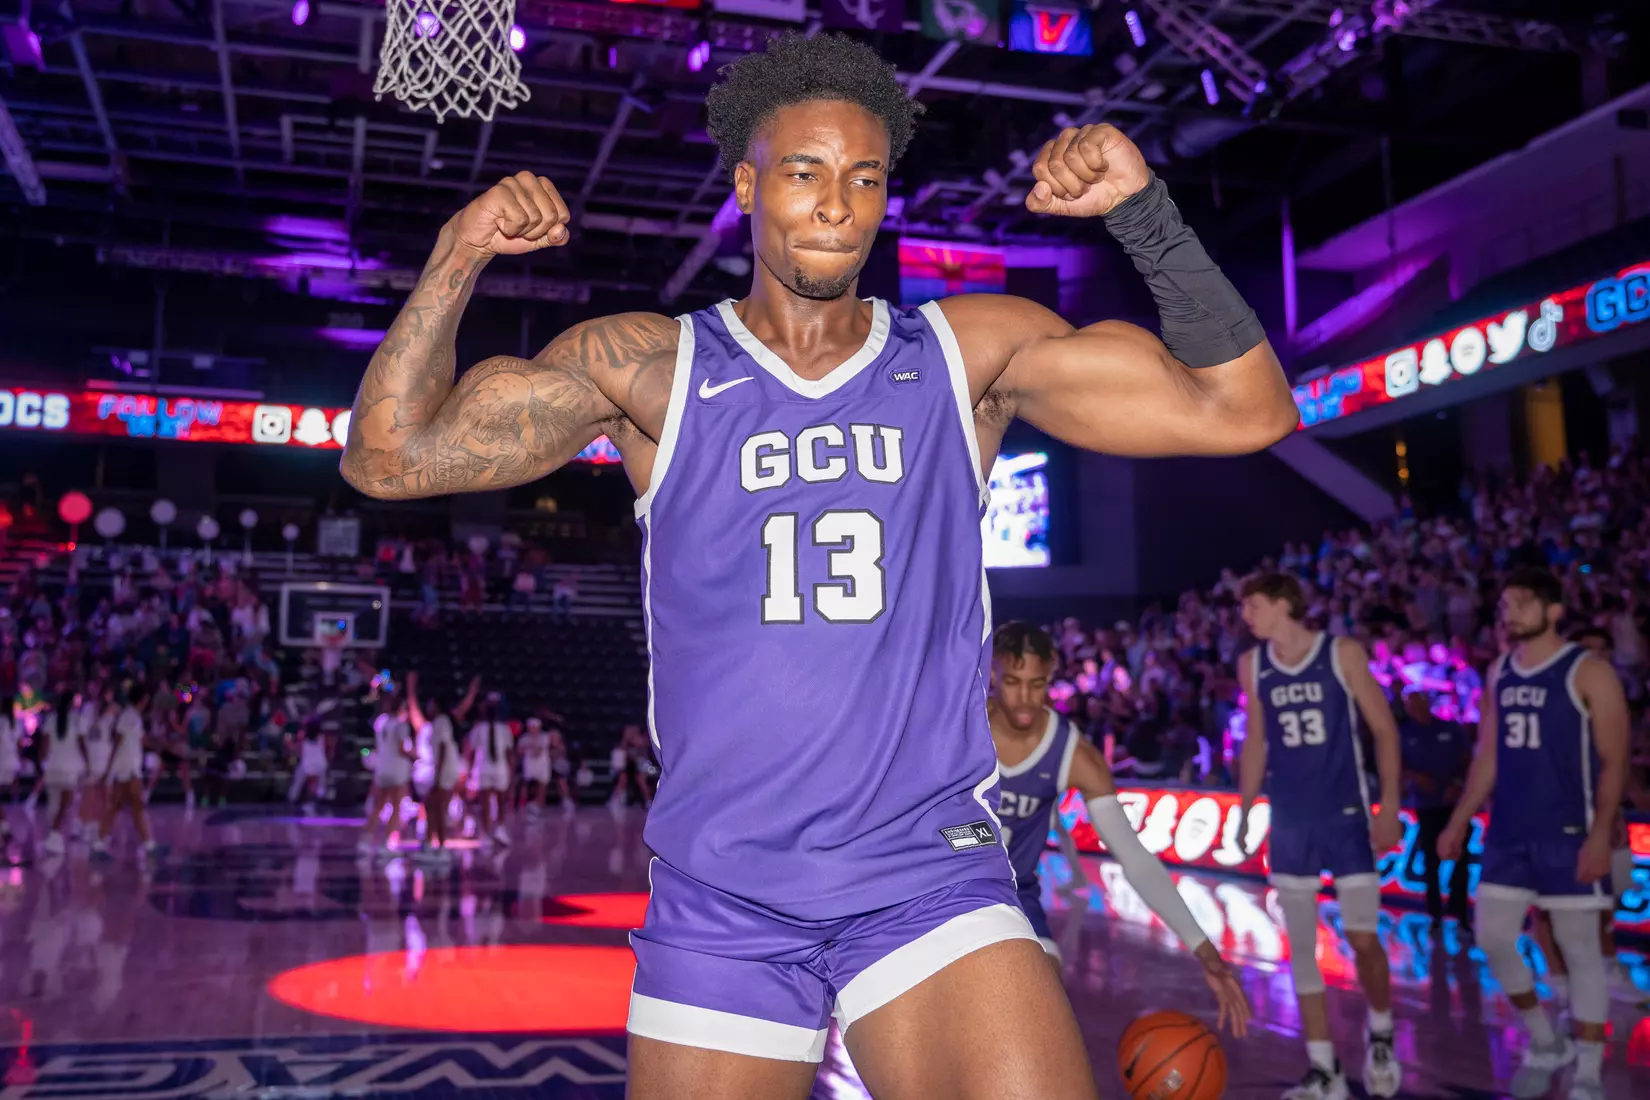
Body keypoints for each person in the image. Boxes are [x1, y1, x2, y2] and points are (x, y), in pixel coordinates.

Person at [339, 31, 1293, 1096]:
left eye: (864, 176)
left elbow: (1245, 407)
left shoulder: (966, 356)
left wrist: (1143, 207)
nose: (837, 201)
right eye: (804, 171)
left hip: (927, 875)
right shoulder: (652, 368)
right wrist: (460, 250)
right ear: (747, 185)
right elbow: (389, 458)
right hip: (722, 894)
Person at [988, 622, 1250, 1035]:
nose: (1024, 699)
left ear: (1052, 675)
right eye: (1013, 683)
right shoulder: (964, 731)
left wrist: (1205, 950)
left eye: (1036, 685)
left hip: (1017, 896)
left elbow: (1136, 861)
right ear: (992, 674)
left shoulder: (1076, 757)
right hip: (950, 894)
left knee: (1043, 1013)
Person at [1438, 569, 1631, 1100]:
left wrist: (1599, 835)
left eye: (1521, 604)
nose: (1509, 613)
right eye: (1504, 605)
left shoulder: (1589, 672)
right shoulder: (1500, 670)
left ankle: (1589, 1071)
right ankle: (1547, 1041)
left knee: (1579, 949)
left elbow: (1615, 763)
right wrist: (1459, 819)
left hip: (1568, 830)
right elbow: (1488, 755)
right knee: (1494, 937)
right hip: (1508, 832)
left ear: (1553, 612)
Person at [1236, 572, 1405, 1100]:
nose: (1247, 616)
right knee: (1301, 950)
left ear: (1285, 604)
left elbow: (1384, 729)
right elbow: (1257, 742)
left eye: (1255, 606)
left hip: (1346, 815)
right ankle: (1323, 1069)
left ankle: (1380, 1034)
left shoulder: (1341, 653)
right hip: (1291, 819)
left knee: (1361, 938)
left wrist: (1391, 805)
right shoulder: (1253, 665)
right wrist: (1244, 810)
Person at [1397, 685, 1472, 926]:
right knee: (1431, 858)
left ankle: (1459, 911)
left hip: (1455, 804)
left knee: (1460, 856)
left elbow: (1468, 759)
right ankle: (1434, 913)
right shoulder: (1404, 734)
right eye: (1411, 703)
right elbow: (1396, 766)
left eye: (1420, 701)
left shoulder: (1450, 728)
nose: (1416, 707)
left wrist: (1459, 783)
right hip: (1426, 805)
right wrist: (1415, 778)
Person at [95, 684, 155, 858]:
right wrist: (107, 770)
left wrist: (165, 745)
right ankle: (148, 844)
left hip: (130, 767)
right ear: (143, 700)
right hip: (128, 768)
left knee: (123, 805)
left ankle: (147, 843)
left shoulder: (134, 717)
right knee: (132, 805)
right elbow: (118, 741)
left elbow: (142, 741)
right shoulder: (130, 716)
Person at [361, 692, 413, 853]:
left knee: (378, 805)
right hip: (397, 769)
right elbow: (401, 748)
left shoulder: (380, 722)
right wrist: (416, 756)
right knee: (396, 806)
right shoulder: (400, 725)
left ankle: (365, 840)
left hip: (382, 768)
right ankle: (388, 843)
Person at [39, 689, 87, 855]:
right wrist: (87, 762)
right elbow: (81, 744)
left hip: (52, 767)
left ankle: (54, 839)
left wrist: (41, 762)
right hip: (69, 768)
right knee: (65, 804)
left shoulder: (50, 720)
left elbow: (44, 745)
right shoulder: (76, 720)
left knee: (55, 805)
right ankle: (54, 836)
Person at [467, 700, 514, 847]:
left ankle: (500, 828)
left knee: (500, 800)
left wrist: (510, 770)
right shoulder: (479, 729)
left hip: (500, 768)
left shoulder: (504, 729)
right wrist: (470, 771)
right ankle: (486, 833)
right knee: (485, 801)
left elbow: (508, 751)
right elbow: (473, 751)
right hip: (483, 768)